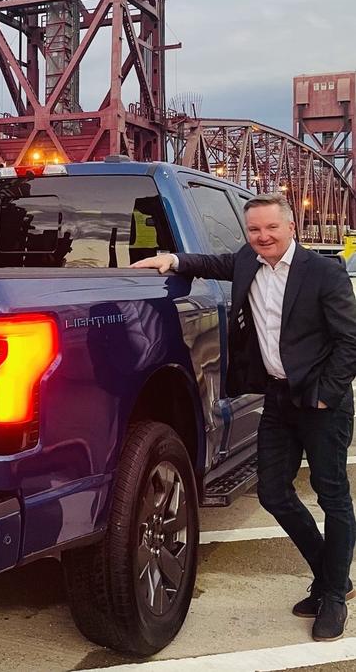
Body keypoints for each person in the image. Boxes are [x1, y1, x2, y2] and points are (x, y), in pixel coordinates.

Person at [132, 193, 356, 641]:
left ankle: (331, 596)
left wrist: (326, 396)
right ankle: (333, 576)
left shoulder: (323, 273)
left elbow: (350, 339)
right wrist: (172, 259)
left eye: (271, 228)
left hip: (319, 403)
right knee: (274, 492)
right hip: (277, 398)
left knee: (332, 496)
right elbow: (214, 263)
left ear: (291, 227)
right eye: (254, 230)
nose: (263, 237)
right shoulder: (248, 262)